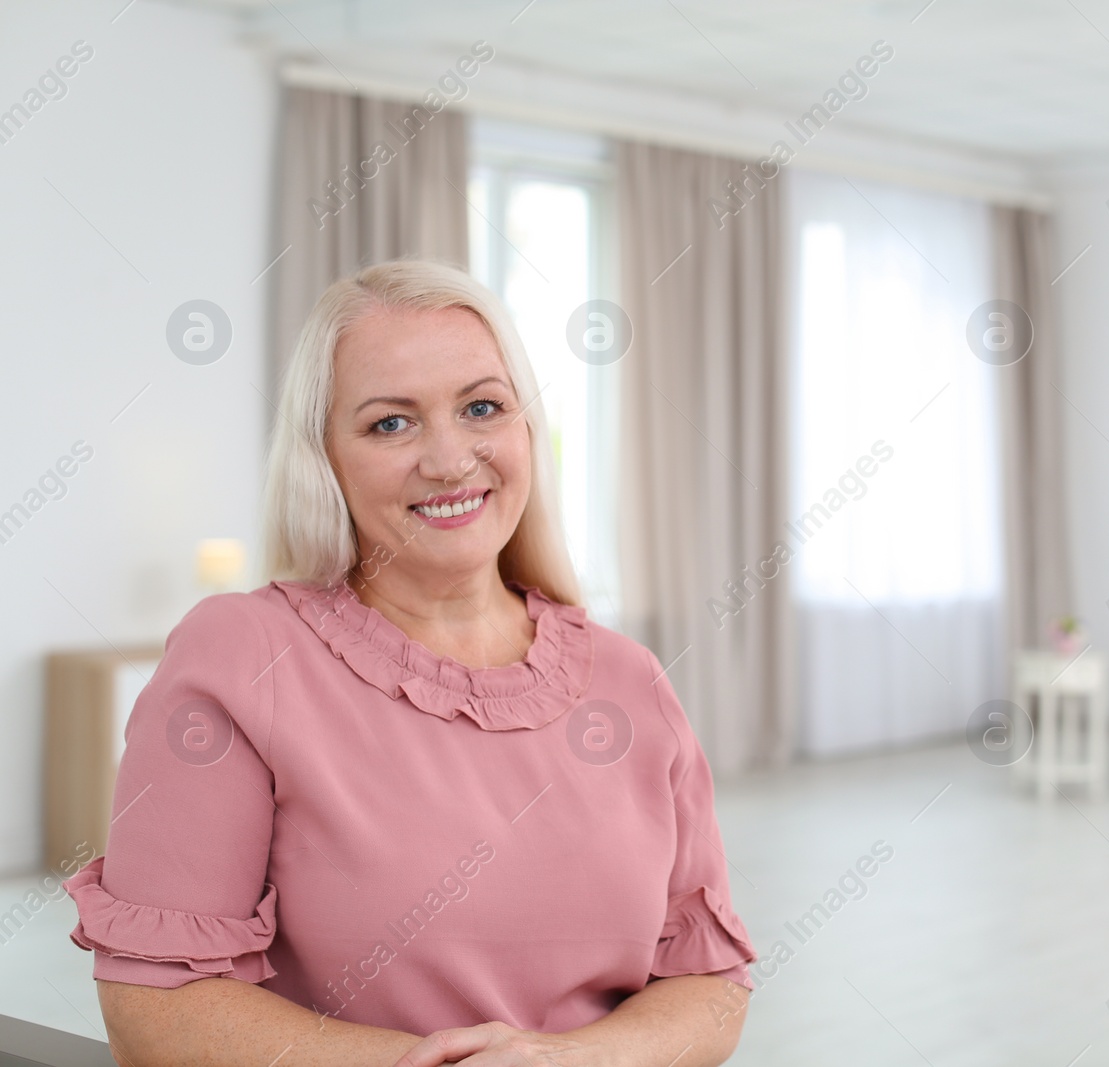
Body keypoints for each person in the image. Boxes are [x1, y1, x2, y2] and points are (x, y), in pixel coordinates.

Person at [64, 259, 757, 1066]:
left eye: (482, 407)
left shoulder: (630, 678)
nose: (451, 457)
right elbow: (156, 1010)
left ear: (526, 427)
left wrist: (572, 1061)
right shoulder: (240, 656)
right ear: (323, 460)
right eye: (390, 423)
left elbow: (709, 983)